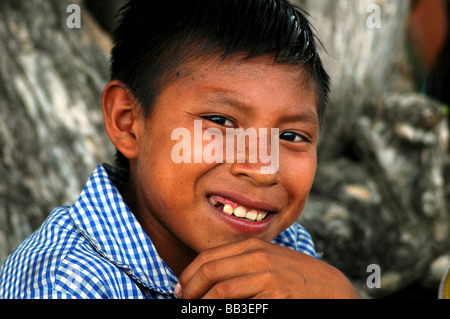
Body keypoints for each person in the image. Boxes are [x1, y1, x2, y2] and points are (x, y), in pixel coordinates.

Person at [0, 0, 359, 299]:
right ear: (128, 121)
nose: (263, 168)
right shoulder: (65, 283)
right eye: (221, 120)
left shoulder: (286, 249)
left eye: (292, 136)